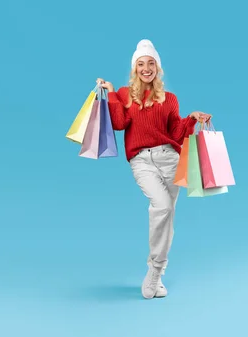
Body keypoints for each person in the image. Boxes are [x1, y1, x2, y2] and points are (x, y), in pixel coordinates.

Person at [96, 39, 211, 299]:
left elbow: (176, 132)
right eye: (141, 64)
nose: (146, 68)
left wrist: (191, 118)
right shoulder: (126, 94)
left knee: (167, 218)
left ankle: (156, 275)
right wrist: (113, 92)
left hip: (170, 158)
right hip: (142, 160)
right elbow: (118, 123)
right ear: (134, 68)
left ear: (157, 68)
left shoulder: (170, 99)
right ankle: (155, 272)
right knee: (162, 207)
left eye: (151, 63)